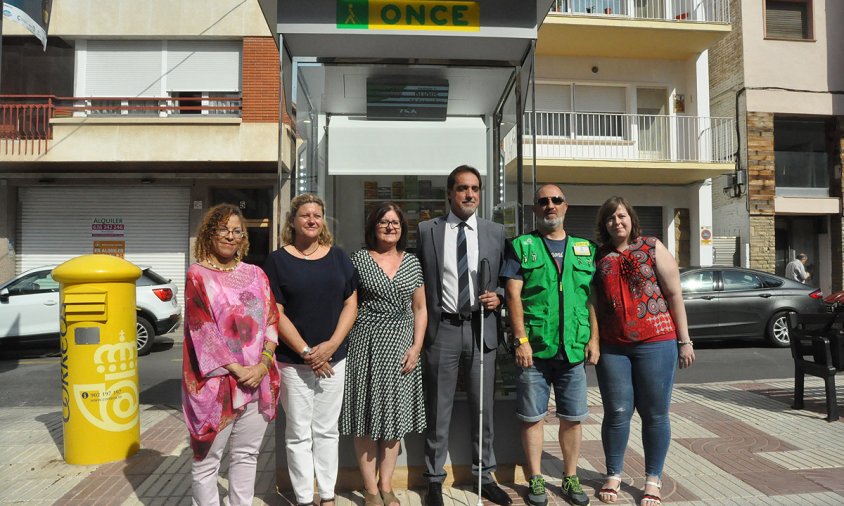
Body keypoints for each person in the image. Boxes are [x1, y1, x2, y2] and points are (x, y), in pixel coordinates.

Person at [415, 165, 511, 506]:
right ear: (450, 193)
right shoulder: (428, 230)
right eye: (462, 188)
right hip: (443, 330)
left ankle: (484, 476)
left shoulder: (495, 232)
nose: (469, 194)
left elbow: (507, 279)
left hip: (480, 328)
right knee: (438, 409)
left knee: (482, 410)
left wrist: (498, 295)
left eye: (475, 188)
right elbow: (420, 278)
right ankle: (434, 481)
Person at [592, 196, 695, 506]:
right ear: (604, 224)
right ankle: (614, 474)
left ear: (631, 218)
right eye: (610, 218)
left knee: (654, 414)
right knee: (617, 412)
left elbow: (674, 294)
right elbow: (593, 302)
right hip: (613, 347)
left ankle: (653, 478)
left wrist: (685, 340)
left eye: (621, 216)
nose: (616, 222)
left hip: (657, 341)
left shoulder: (651, 246)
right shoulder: (599, 255)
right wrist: (593, 341)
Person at [502, 184, 598, 506]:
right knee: (532, 418)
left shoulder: (586, 248)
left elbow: (591, 299)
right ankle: (536, 478)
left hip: (572, 350)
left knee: (573, 418)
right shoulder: (521, 246)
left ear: (566, 207)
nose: (550, 206)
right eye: (543, 201)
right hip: (535, 350)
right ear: (535, 210)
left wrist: (594, 338)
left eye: (556, 200)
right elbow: (512, 296)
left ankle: (570, 477)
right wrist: (521, 341)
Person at [182, 203, 281, 506]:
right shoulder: (198, 275)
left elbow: (271, 320)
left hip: (256, 381)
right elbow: (203, 331)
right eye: (223, 229)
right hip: (216, 385)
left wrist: (262, 366)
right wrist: (240, 371)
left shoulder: (257, 274)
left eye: (236, 230)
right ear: (209, 234)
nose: (230, 236)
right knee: (207, 461)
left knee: (246, 455)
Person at [263, 194, 359, 506]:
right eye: (305, 215)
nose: (312, 220)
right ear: (293, 221)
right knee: (297, 433)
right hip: (293, 362)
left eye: (317, 215)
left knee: (327, 431)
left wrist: (330, 345)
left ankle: (328, 496)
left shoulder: (339, 258)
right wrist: (307, 352)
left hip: (334, 359)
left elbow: (350, 304)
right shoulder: (277, 261)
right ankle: (305, 498)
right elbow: (275, 312)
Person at [340, 202, 427, 506]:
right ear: (373, 227)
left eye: (396, 223)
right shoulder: (359, 259)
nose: (390, 227)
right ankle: (370, 490)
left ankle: (386, 484)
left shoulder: (412, 262)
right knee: (365, 418)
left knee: (393, 419)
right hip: (366, 345)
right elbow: (348, 305)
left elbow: (420, 308)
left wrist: (416, 347)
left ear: (402, 229)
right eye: (384, 222)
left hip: (403, 347)